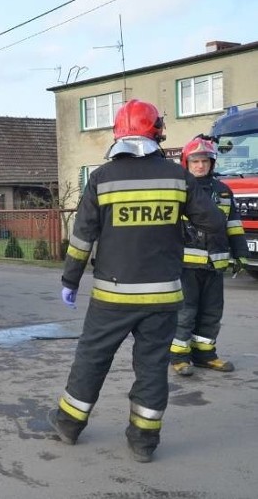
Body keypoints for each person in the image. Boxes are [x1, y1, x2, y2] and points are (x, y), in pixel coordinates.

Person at [48, 100, 227, 463]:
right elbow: (214, 223)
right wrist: (176, 228)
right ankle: (144, 442)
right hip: (163, 296)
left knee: (92, 359)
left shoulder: (101, 178)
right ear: (157, 132)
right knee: (150, 366)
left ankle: (68, 425)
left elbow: (83, 237)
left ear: (118, 134)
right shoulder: (178, 177)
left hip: (111, 296)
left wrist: (71, 280)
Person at [169, 136, 249, 376]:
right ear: (187, 163)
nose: (200, 165)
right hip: (185, 265)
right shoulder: (178, 190)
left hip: (216, 262)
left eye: (205, 160)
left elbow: (233, 225)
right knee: (185, 312)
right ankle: (179, 357)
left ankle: (205, 355)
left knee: (212, 312)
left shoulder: (223, 192)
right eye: (195, 161)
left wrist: (241, 254)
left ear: (212, 163)